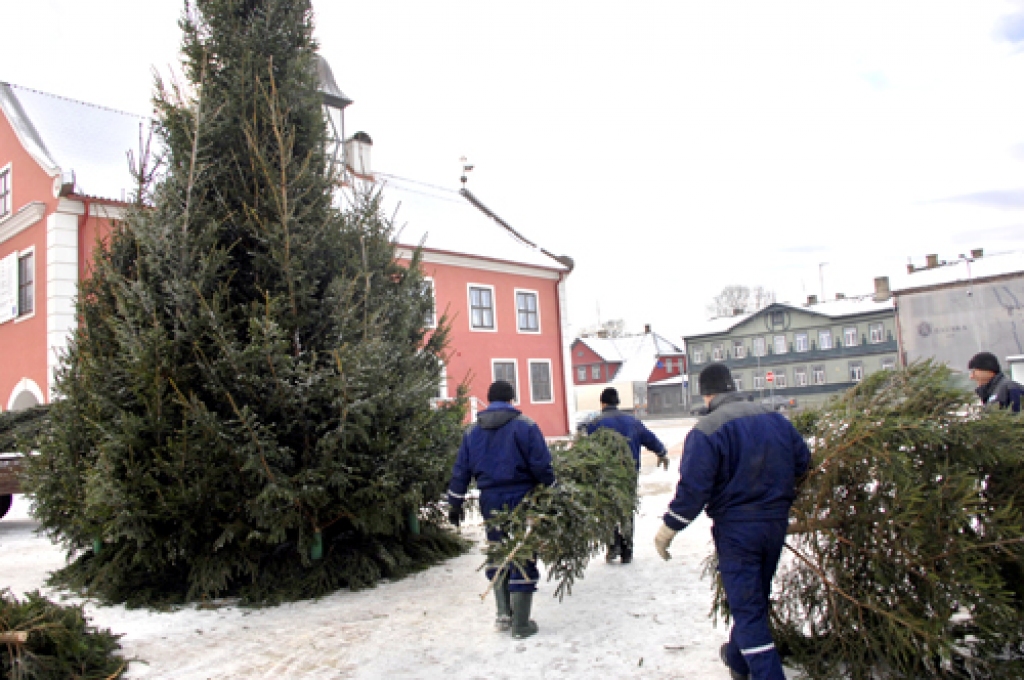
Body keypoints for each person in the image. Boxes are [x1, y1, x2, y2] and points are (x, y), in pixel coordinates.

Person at [653, 363, 810, 680]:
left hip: (738, 531)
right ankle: (738, 662)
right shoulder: (775, 419)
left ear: (706, 394)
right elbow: (803, 461)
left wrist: (669, 527)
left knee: (747, 610)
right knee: (754, 597)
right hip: (776, 523)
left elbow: (694, 489)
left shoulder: (707, 430)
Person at [446, 380, 556, 639]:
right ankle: (521, 623)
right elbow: (541, 464)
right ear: (511, 399)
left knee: (498, 550)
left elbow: (461, 470)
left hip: (490, 500)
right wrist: (552, 487)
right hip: (522, 497)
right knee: (523, 551)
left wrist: (455, 502)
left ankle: (503, 614)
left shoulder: (472, 431)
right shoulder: (526, 426)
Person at [585, 386, 670, 564]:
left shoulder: (594, 423)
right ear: (618, 403)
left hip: (605, 474)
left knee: (608, 509)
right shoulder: (632, 421)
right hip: (629, 474)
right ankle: (627, 549)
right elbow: (650, 438)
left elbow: (585, 450)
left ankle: (612, 545)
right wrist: (661, 452)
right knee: (626, 509)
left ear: (602, 403)